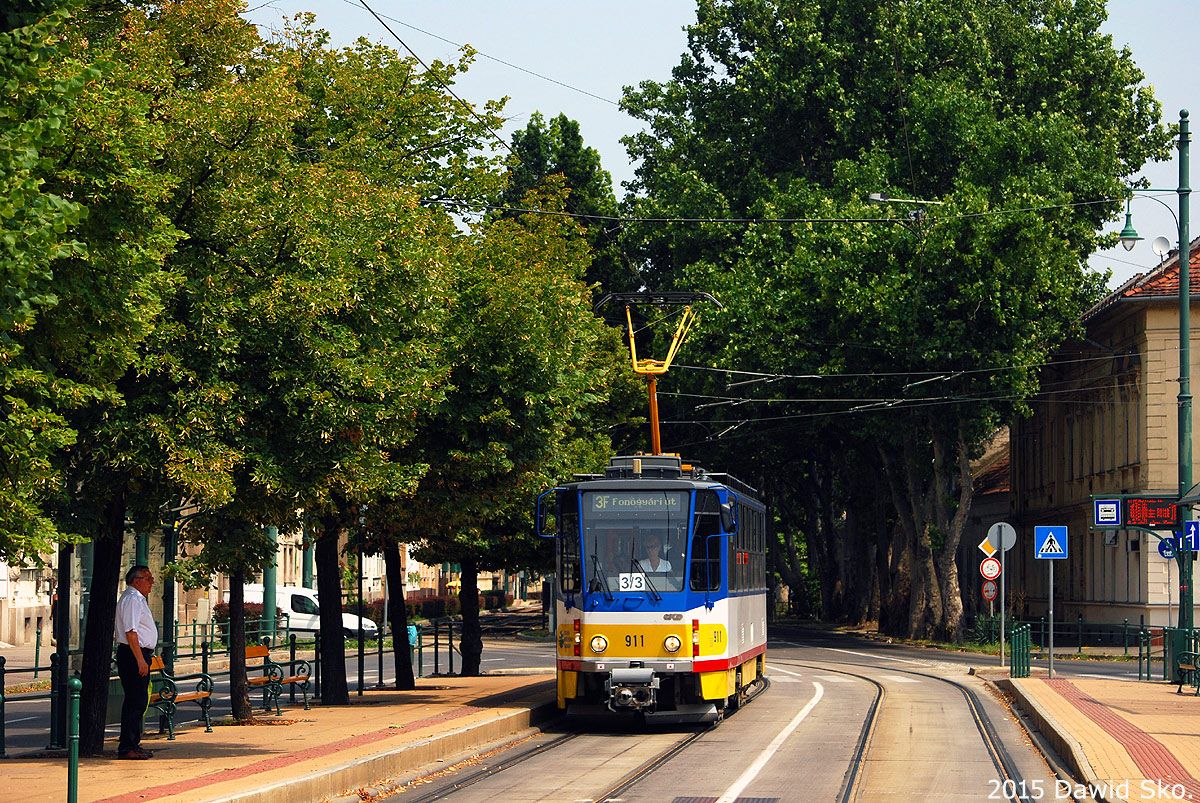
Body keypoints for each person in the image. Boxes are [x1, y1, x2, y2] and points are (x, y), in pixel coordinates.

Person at [114, 565, 158, 760]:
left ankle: (134, 743)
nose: (152, 583)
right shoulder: (132, 599)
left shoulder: (137, 599)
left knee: (139, 700)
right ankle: (127, 746)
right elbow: (131, 632)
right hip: (133, 654)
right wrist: (140, 659)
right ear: (136, 580)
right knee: (135, 701)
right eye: (148, 578)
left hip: (139, 653)